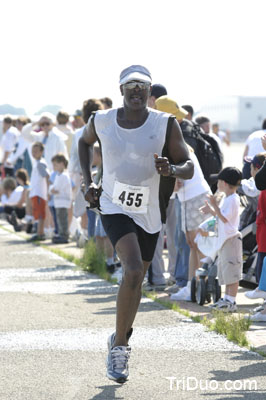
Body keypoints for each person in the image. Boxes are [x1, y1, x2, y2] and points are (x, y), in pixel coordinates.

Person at [79, 65, 194, 383]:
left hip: (150, 212)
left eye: (142, 85)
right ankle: (120, 349)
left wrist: (171, 168)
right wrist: (88, 180)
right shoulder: (101, 120)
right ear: (120, 91)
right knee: (131, 271)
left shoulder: (165, 124)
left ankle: (119, 338)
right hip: (114, 205)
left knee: (136, 279)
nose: (135, 90)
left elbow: (188, 167)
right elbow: (83, 142)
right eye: (129, 85)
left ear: (149, 91)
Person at [200, 167, 242, 312]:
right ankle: (226, 299)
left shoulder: (233, 199)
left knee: (232, 272)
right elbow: (221, 216)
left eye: (219, 181)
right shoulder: (227, 199)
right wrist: (212, 210)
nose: (217, 183)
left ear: (224, 183)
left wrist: (214, 205)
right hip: (225, 241)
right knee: (225, 271)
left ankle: (231, 301)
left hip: (231, 240)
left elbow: (224, 218)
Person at [28, 142, 49, 241]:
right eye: (33, 151)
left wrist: (48, 191)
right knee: (38, 213)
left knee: (40, 214)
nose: (34, 153)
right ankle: (40, 232)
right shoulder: (36, 162)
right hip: (35, 192)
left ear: (41, 152)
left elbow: (46, 176)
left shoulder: (41, 163)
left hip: (40, 193)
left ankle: (40, 233)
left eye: (36, 151)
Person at [49, 153, 72, 244]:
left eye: (55, 164)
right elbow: (52, 189)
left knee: (62, 219)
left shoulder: (64, 176)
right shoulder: (58, 175)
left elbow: (55, 189)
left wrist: (52, 190)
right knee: (59, 219)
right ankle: (61, 234)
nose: (54, 167)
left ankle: (64, 236)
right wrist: (52, 190)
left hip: (63, 202)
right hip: (58, 202)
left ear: (62, 163)